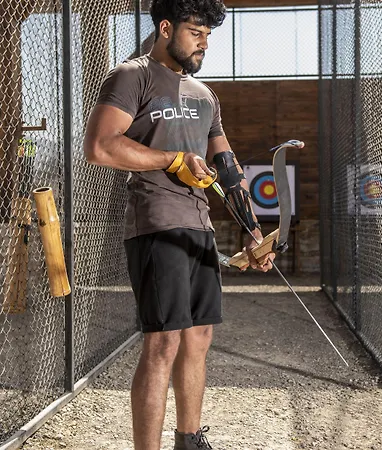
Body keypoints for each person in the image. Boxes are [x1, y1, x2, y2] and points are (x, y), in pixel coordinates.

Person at [83, 1, 274, 448]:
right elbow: (100, 146)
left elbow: (227, 168)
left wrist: (254, 232)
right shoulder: (132, 76)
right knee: (163, 342)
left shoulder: (205, 95)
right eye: (195, 33)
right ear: (166, 28)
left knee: (199, 335)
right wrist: (172, 159)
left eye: (208, 35)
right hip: (156, 222)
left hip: (199, 224)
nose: (204, 43)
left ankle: (189, 439)